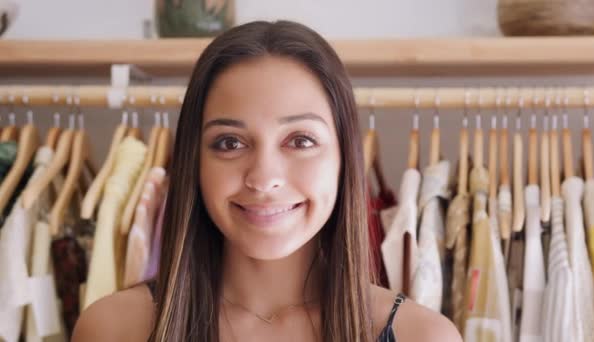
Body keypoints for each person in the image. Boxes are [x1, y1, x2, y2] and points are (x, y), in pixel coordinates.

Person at [72, 20, 462, 342]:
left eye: (300, 141)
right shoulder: (112, 330)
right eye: (230, 142)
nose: (263, 178)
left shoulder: (423, 336)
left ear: (344, 157)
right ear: (194, 162)